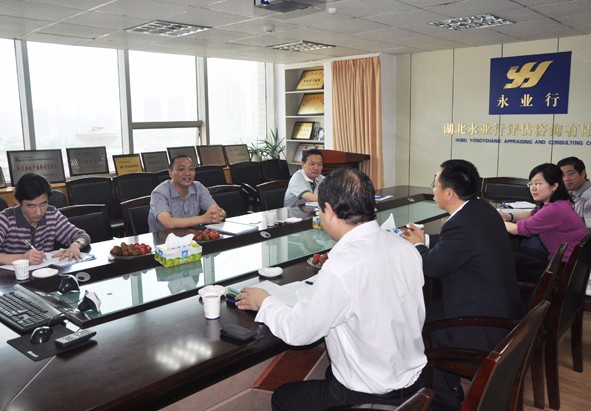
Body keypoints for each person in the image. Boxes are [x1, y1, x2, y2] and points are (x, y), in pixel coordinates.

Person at [237, 168, 427, 410]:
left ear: (329, 210)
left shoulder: (341, 268)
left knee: (284, 398)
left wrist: (264, 302)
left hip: (370, 393)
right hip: (416, 380)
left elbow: (299, 332)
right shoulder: (406, 248)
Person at [403, 159, 522, 411]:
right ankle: (447, 387)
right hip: (500, 309)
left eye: (434, 183)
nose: (432, 188)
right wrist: (425, 239)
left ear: (449, 193)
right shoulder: (480, 209)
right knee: (425, 312)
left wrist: (417, 246)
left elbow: (430, 267)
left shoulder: (461, 225)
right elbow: (456, 244)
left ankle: (444, 399)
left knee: (417, 322)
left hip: (481, 324)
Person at [499, 163, 588, 265]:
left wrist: (495, 220)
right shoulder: (560, 204)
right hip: (565, 260)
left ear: (554, 186)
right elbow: (532, 214)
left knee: (503, 256)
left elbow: (519, 230)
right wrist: (509, 216)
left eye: (538, 183)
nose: (533, 188)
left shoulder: (554, 209)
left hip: (562, 266)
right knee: (509, 251)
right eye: (531, 184)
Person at [0, 173, 91, 265]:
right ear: (17, 201)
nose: (38, 212)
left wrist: (75, 245)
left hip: (46, 271)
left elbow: (82, 236)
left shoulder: (52, 215)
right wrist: (23, 258)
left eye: (43, 204)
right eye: (31, 206)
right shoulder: (5, 219)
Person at [148, 155, 227, 232]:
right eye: (181, 169)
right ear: (170, 173)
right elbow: (168, 223)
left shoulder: (198, 187)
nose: (187, 173)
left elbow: (216, 210)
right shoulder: (159, 193)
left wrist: (220, 214)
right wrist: (204, 218)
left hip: (193, 236)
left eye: (191, 169)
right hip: (164, 238)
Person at [557, 156, 591, 228]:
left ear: (583, 173)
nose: (566, 179)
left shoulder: (588, 199)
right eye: (562, 175)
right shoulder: (567, 194)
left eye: (571, 173)